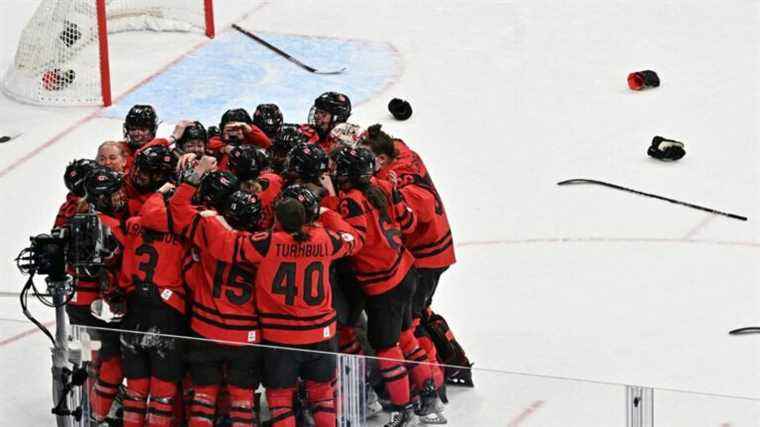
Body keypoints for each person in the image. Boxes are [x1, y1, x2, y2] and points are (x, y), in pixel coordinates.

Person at [172, 174, 361, 427]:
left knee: (278, 398)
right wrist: (326, 212)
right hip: (321, 335)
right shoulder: (325, 239)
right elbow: (355, 240)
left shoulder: (266, 243)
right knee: (322, 395)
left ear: (278, 220)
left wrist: (212, 218)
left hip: (278, 337)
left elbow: (224, 244)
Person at [330, 145, 443, 426]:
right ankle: (428, 401)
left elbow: (353, 242)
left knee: (386, 347)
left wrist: (329, 209)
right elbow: (409, 221)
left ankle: (402, 409)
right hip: (405, 272)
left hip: (383, 286)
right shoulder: (383, 185)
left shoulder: (350, 201)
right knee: (406, 336)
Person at [363, 124, 472, 388]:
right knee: (419, 311)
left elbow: (415, 215)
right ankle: (454, 363)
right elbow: (393, 142)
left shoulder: (398, 182)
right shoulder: (400, 151)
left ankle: (432, 381)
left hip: (426, 258)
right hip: (434, 249)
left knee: (409, 322)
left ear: (380, 159)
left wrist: (377, 188)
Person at [168, 167, 263, 426]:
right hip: (246, 336)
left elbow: (177, 210)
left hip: (205, 328)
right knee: (242, 400)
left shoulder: (210, 228)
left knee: (203, 398)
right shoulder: (267, 246)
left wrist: (189, 182)